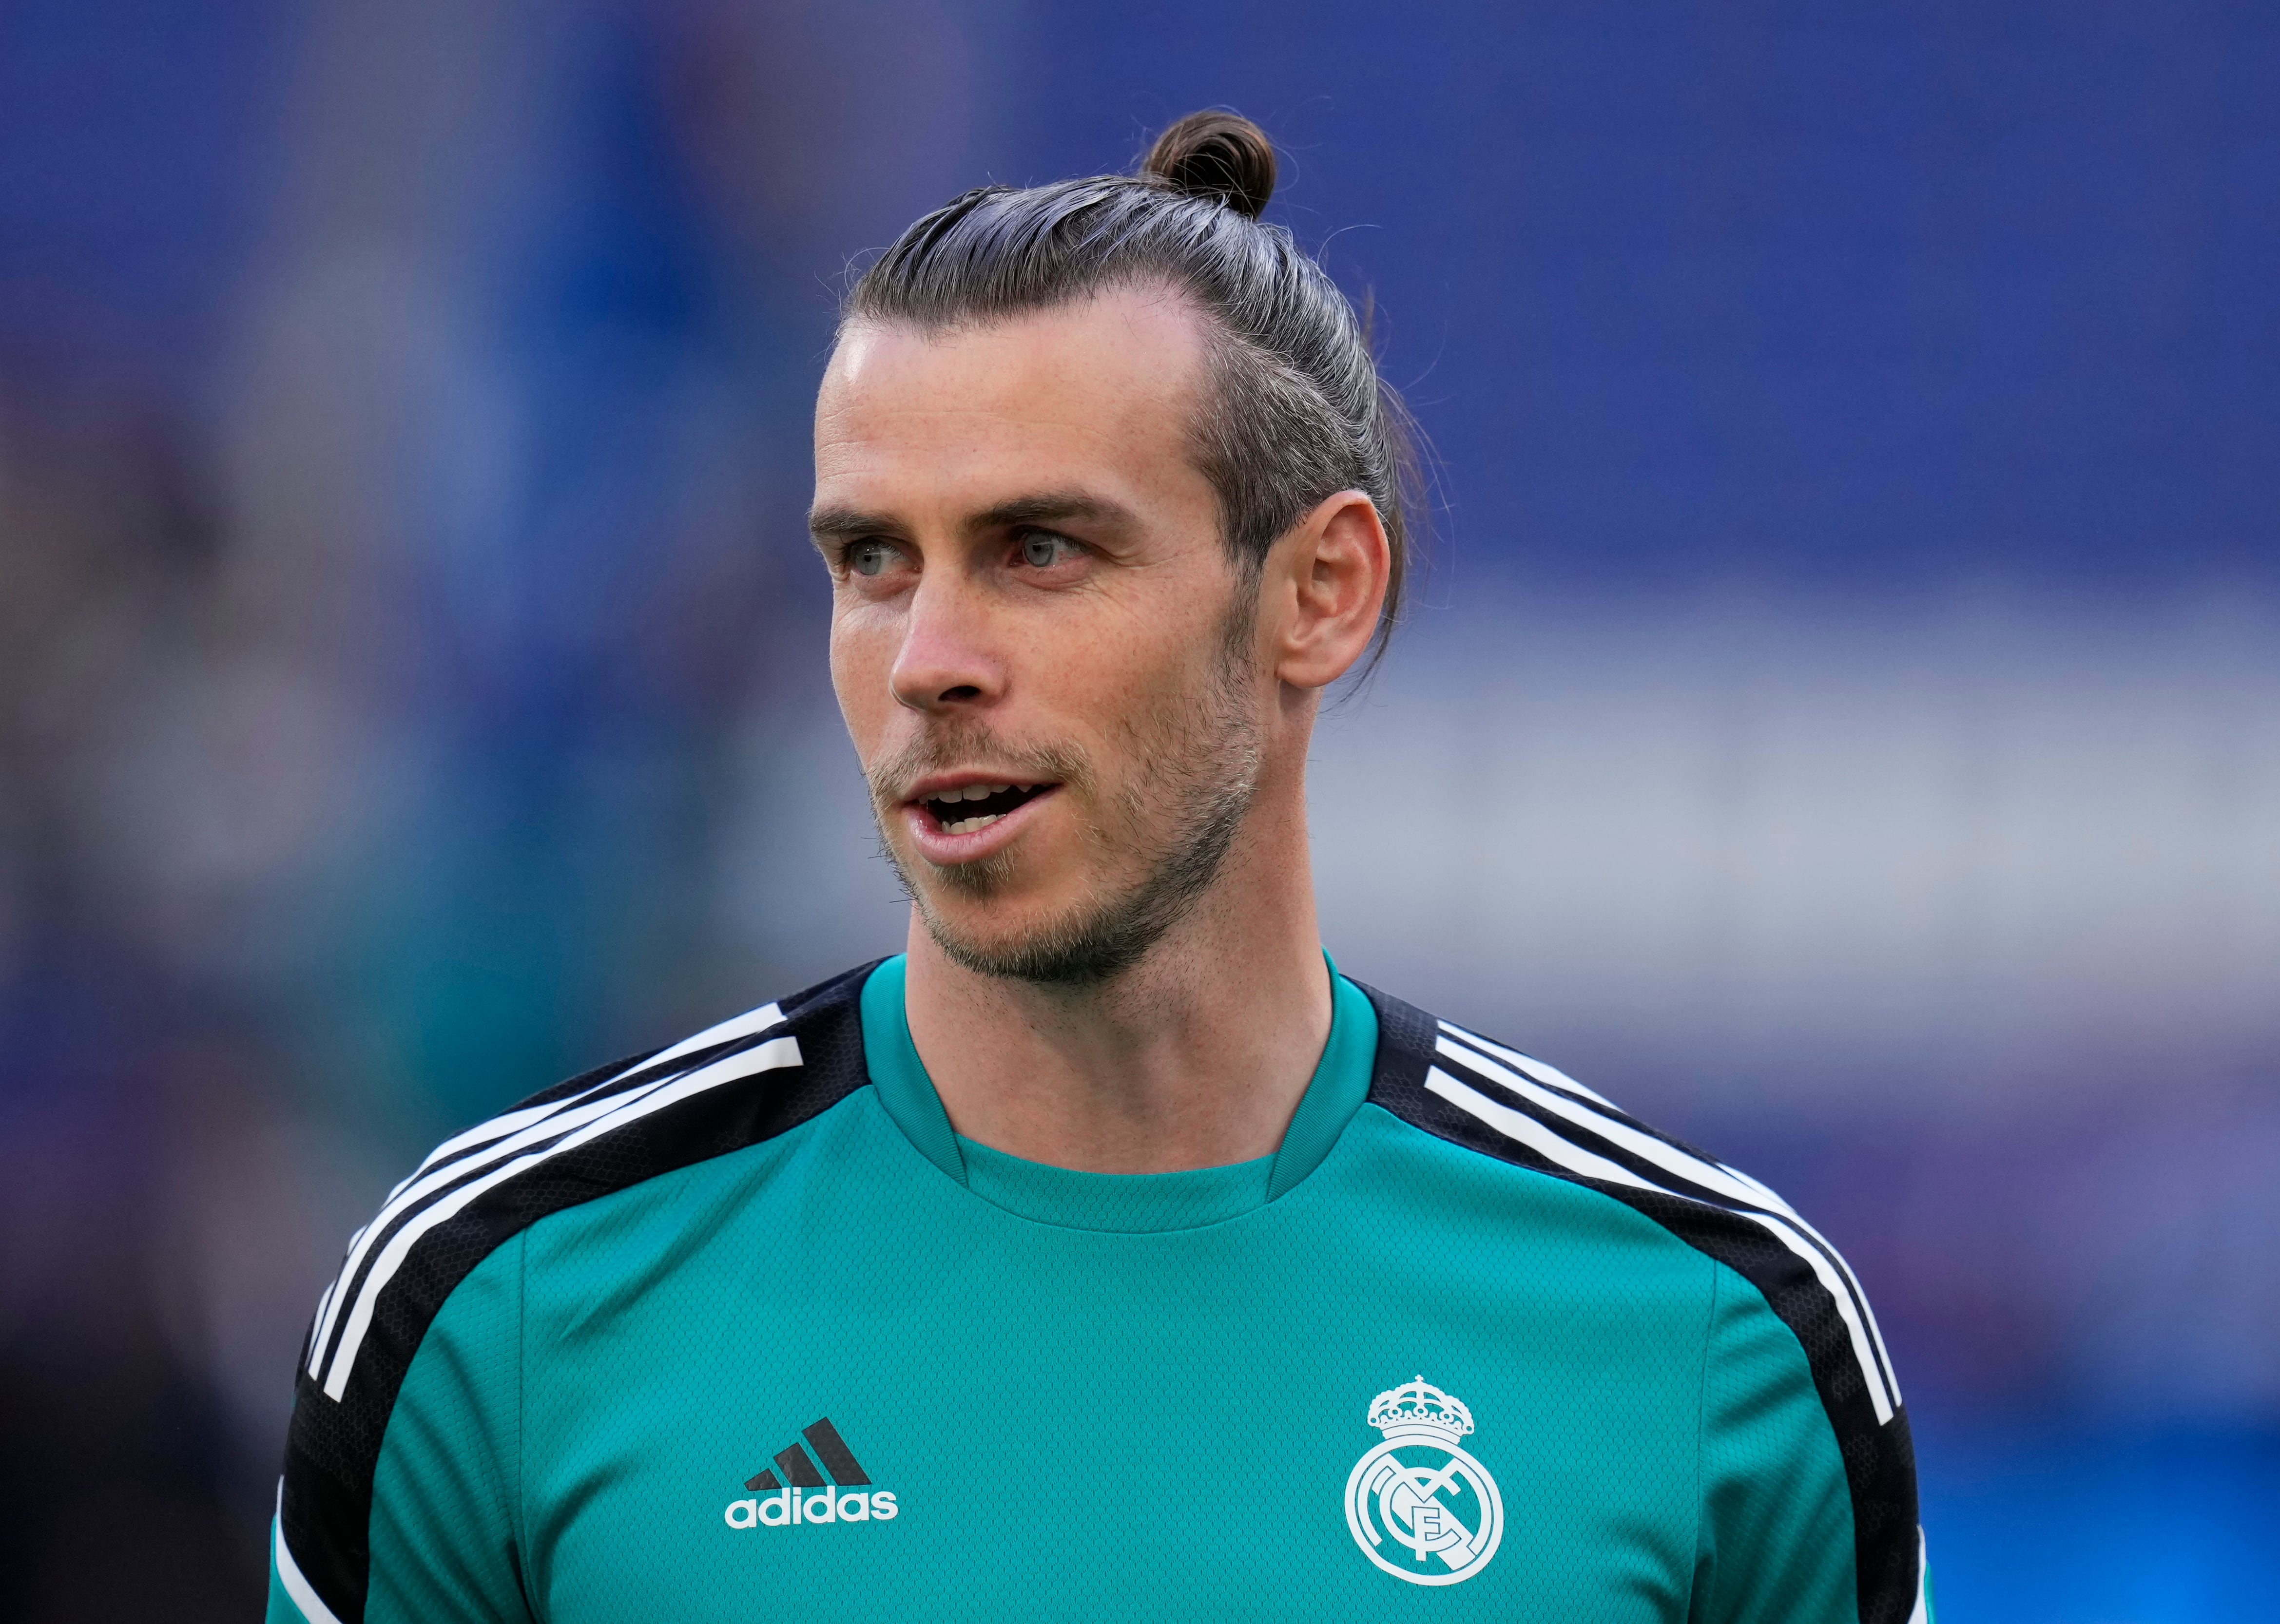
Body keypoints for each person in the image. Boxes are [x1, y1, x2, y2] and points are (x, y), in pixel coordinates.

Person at [269, 111, 1928, 1624]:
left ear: (1318, 593)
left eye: (1039, 550)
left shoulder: (1709, 1338)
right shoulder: (508, 1301)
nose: (928, 658)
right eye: (871, 561)